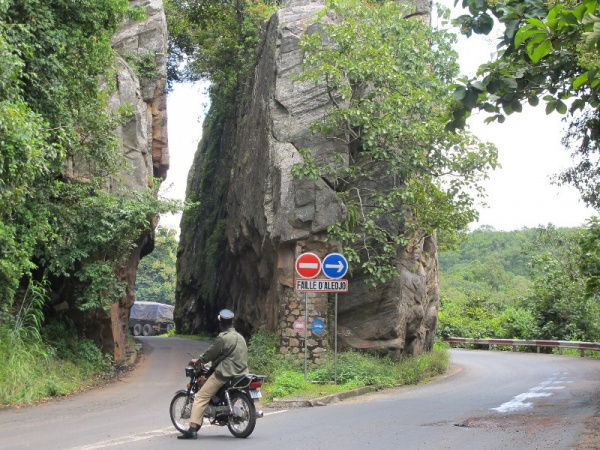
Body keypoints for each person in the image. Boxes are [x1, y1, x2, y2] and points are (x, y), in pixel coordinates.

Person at [178, 309, 249, 440]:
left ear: (221, 324)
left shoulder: (223, 338)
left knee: (200, 397)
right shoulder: (240, 337)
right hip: (241, 373)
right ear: (232, 322)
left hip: (225, 373)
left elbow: (210, 354)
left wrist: (198, 360)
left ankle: (193, 429)